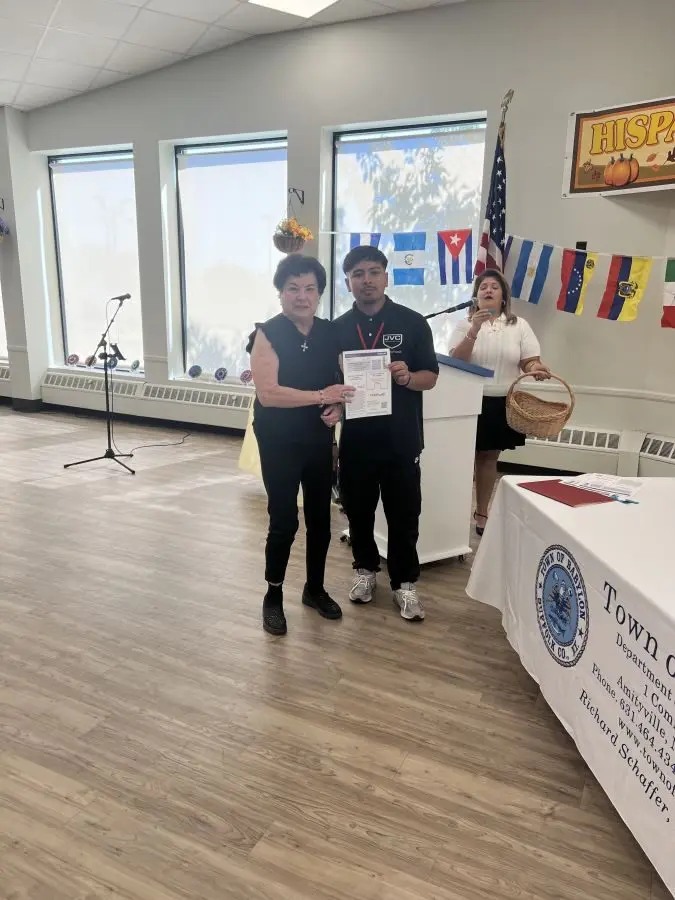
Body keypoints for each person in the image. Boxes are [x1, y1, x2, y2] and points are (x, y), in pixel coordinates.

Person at [247, 254, 354, 636]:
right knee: (284, 520)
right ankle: (273, 594)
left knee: (321, 518)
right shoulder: (267, 334)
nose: (301, 296)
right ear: (280, 293)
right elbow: (269, 394)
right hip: (278, 438)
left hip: (317, 436)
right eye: (292, 288)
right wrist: (322, 396)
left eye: (310, 288)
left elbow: (341, 383)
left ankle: (314, 588)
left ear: (320, 293)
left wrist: (338, 406)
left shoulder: (331, 332)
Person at [332, 245, 439, 623]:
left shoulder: (413, 323)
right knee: (358, 513)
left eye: (374, 272)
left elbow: (431, 377)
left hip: (401, 440)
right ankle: (365, 571)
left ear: (386, 277)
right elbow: (329, 385)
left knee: (404, 516)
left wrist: (408, 377)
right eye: (358, 274)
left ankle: (404, 583)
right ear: (348, 282)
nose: (367, 280)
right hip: (357, 441)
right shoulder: (337, 329)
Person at [449, 268, 551, 536]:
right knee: (462, 459)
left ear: (503, 296)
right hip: (467, 400)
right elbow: (456, 361)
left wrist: (536, 368)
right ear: (476, 296)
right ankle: (453, 516)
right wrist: (474, 329)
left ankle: (482, 512)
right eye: (483, 287)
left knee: (488, 458)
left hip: (500, 401)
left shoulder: (519, 325)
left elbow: (529, 360)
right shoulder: (464, 324)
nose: (488, 290)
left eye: (494, 287)